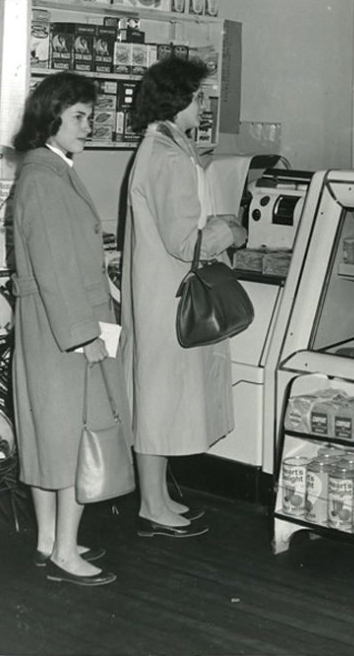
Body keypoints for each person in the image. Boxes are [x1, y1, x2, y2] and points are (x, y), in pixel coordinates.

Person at [120, 56, 246, 538]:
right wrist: (231, 230)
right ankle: (152, 505)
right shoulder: (169, 157)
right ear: (177, 101)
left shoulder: (170, 145)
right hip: (168, 301)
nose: (205, 104)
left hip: (165, 296)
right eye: (198, 96)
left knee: (161, 397)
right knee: (157, 399)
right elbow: (186, 242)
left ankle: (159, 495)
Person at [11, 71, 127, 586]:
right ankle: (63, 552)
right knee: (77, 437)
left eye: (91, 116)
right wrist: (87, 337)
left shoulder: (46, 171)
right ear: (50, 117)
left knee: (51, 436)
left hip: (51, 326)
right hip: (68, 330)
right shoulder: (45, 178)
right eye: (79, 117)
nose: (90, 126)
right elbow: (57, 273)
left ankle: (48, 540)